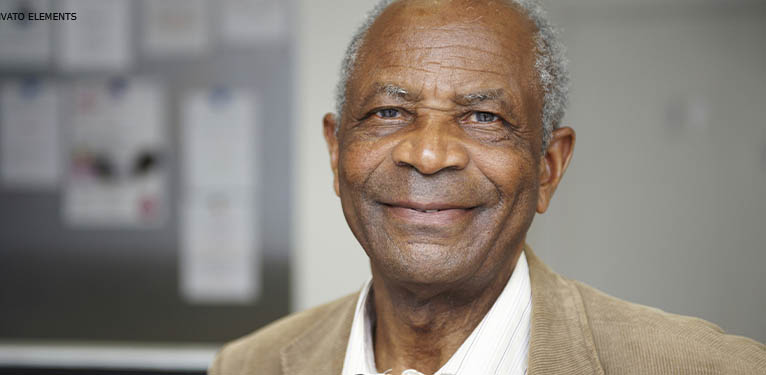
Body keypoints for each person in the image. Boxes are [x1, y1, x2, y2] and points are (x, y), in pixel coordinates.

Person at [209, 0, 766, 374]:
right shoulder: (244, 366)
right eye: (388, 111)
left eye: (483, 118)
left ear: (548, 165)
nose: (428, 155)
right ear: (337, 153)